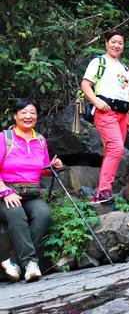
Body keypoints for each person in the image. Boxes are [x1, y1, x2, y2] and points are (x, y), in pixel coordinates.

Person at [0, 98, 63, 282]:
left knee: (44, 215)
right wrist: (5, 191)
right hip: (6, 190)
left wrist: (52, 165)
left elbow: (40, 169)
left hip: (31, 192)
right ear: (15, 115)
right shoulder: (5, 138)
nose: (28, 116)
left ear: (37, 116)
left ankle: (13, 261)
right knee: (16, 214)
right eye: (24, 112)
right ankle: (30, 264)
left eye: (32, 113)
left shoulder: (40, 140)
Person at [81, 29, 129, 204]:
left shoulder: (124, 68)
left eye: (120, 42)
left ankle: (103, 191)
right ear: (106, 43)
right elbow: (85, 84)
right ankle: (103, 191)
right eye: (113, 41)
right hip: (106, 111)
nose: (116, 45)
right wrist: (96, 101)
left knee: (113, 151)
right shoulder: (99, 62)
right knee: (116, 148)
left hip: (122, 113)